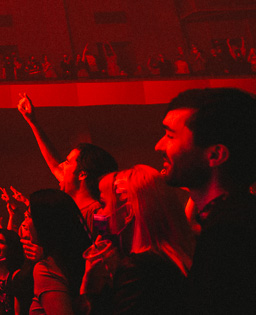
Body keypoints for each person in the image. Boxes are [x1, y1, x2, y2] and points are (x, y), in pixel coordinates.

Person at [155, 87, 256, 313]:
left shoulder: (229, 236)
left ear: (215, 155)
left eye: (170, 136)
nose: (158, 146)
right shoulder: (231, 220)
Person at [81, 165, 192, 314]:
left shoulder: (136, 270)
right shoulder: (174, 256)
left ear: (127, 213)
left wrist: (89, 293)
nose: (99, 213)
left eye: (103, 204)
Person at [17, 93, 118, 231]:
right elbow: (53, 164)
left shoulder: (99, 213)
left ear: (82, 174)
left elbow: (103, 248)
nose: (62, 165)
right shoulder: (71, 207)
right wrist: (32, 122)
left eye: (68, 162)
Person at [23, 190, 90, 315]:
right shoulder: (82, 258)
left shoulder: (46, 270)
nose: (26, 223)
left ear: (46, 224)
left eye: (30, 217)